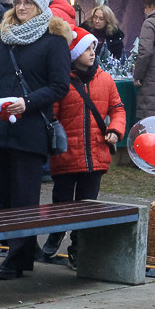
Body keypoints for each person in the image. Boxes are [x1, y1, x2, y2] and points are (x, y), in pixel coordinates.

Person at [0, 0, 71, 280]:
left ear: (41, 8)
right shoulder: (4, 38)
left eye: (29, 3)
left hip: (30, 131)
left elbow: (60, 86)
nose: (22, 7)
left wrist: (27, 102)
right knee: (5, 196)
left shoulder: (54, 41)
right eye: (19, 2)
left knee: (25, 197)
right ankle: (19, 253)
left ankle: (17, 256)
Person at [41, 27, 126, 267]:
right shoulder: (61, 82)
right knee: (62, 202)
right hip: (67, 155)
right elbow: (52, 114)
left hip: (95, 155)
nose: (92, 52)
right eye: (86, 48)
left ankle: (78, 246)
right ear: (74, 52)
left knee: (87, 206)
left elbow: (117, 108)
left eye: (93, 48)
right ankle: (57, 233)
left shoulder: (105, 79)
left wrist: (115, 130)